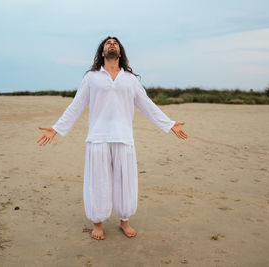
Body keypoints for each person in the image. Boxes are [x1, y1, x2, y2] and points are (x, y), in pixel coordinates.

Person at [37, 36, 188, 240]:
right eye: (108, 42)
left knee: (126, 182)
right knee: (97, 182)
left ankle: (124, 221)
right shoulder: (91, 78)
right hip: (97, 137)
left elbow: (147, 104)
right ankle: (97, 223)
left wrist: (169, 123)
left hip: (124, 138)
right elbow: (76, 106)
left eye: (115, 42)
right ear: (102, 52)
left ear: (120, 52)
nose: (112, 44)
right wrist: (55, 129)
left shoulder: (130, 79)